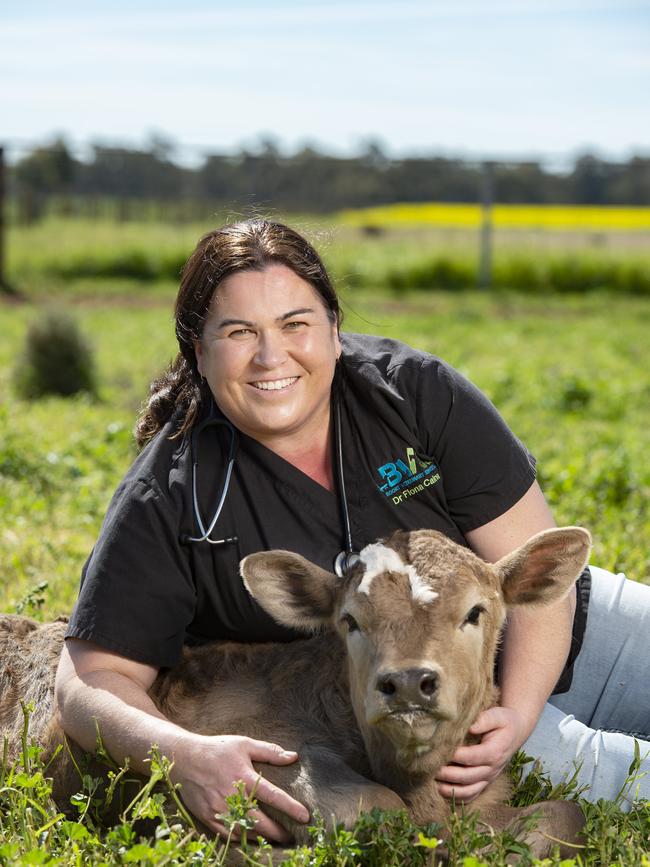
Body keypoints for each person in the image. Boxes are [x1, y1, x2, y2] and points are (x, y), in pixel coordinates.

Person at [55, 219, 650, 843]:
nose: (270, 355)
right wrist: (182, 756)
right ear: (199, 354)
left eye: (295, 323)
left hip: (545, 631)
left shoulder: (412, 394)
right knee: (618, 775)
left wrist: (522, 709)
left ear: (335, 332)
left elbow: (533, 566)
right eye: (238, 332)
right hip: (428, 710)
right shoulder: (171, 495)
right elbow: (91, 678)